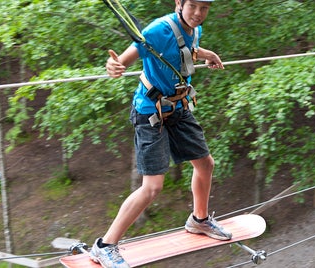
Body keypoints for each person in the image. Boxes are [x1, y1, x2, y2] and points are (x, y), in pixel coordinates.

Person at [91, 0, 230, 267]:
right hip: (150, 113)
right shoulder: (158, 29)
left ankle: (199, 220)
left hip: (178, 108)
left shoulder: (193, 27)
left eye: (205, 8)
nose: (199, 14)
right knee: (152, 187)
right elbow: (126, 58)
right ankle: (104, 245)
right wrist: (115, 66)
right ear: (179, 2)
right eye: (193, 6)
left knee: (205, 164)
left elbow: (184, 50)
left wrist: (207, 54)